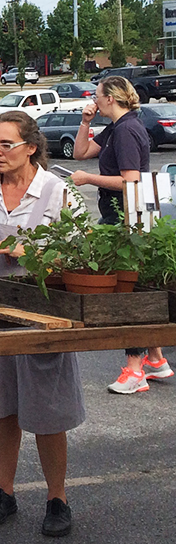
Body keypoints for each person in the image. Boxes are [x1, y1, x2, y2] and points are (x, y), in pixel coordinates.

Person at [0, 110, 85, 538]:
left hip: (41, 315)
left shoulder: (57, 192)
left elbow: (79, 257)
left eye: (5, 145)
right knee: (1, 406)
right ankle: (5, 490)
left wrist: (31, 253)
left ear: (31, 147)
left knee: (47, 409)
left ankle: (58, 497)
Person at [71, 75, 171, 394]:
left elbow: (132, 182)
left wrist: (89, 179)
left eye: (97, 96)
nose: (94, 100)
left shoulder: (127, 130)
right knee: (135, 286)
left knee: (126, 290)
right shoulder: (117, 127)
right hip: (119, 213)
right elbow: (80, 152)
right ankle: (155, 358)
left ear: (111, 98)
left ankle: (134, 369)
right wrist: (85, 121)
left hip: (127, 216)